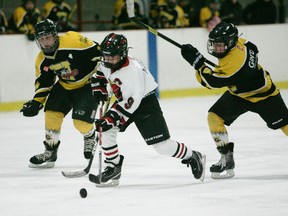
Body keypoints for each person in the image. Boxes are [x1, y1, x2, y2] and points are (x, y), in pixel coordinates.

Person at [88, 33, 206, 187]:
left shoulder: (131, 72)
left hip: (144, 103)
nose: (108, 60)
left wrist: (109, 118)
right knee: (107, 131)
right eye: (106, 56)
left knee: (162, 146)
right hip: (126, 100)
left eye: (112, 57)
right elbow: (100, 73)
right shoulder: (110, 60)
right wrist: (99, 87)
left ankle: (193, 156)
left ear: (123, 54)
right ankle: (113, 166)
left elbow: (130, 104)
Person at [180, 22, 288, 179]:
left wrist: (197, 64)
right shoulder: (240, 43)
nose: (216, 48)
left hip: (264, 97)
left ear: (230, 42)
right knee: (214, 117)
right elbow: (253, 47)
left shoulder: (235, 64)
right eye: (214, 45)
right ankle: (226, 159)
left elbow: (212, 82)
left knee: (285, 124)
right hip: (240, 95)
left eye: (220, 45)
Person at [20, 19, 102, 168]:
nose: (45, 42)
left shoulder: (73, 41)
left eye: (48, 37)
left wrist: (103, 78)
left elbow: (100, 53)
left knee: (81, 124)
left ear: (55, 35)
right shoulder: (42, 59)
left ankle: (89, 135)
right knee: (51, 113)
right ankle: (50, 151)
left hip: (88, 84)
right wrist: (36, 102)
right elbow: (45, 82)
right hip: (65, 86)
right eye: (41, 39)